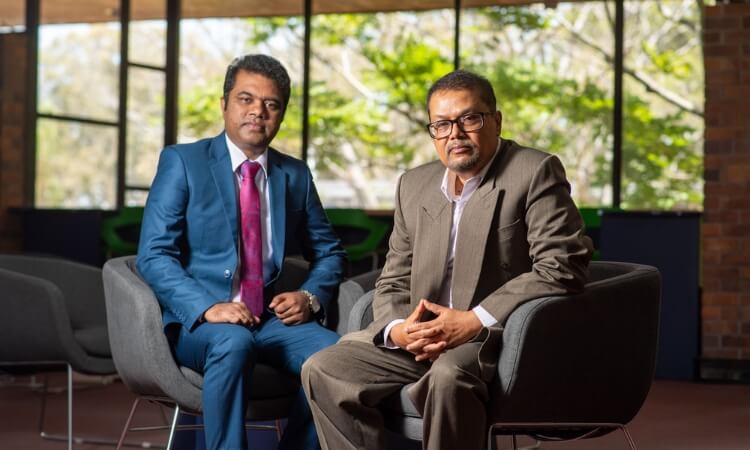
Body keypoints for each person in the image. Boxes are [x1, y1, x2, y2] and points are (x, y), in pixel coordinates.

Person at [301, 69, 593, 450]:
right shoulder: (414, 184)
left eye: (469, 119)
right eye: (441, 124)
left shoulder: (534, 171)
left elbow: (562, 264)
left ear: (497, 120)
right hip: (421, 336)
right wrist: (397, 329)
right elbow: (393, 279)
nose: (455, 133)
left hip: (493, 336)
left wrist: (473, 320)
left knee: (448, 376)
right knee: (323, 369)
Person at [136, 54, 346, 450]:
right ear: (224, 104)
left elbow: (331, 252)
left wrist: (309, 296)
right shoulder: (182, 162)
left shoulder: (295, 174)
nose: (257, 112)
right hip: (201, 322)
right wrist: (206, 307)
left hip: (270, 319)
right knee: (233, 342)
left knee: (337, 357)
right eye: (245, 99)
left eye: (271, 104)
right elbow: (154, 254)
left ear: (281, 113)